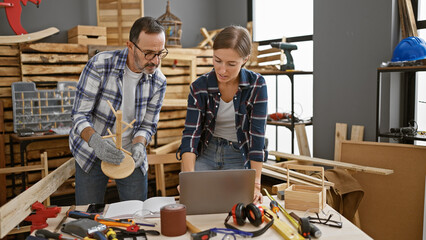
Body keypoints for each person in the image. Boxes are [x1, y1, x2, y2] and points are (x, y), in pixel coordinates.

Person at [69, 17, 168, 205]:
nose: (155, 61)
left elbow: (147, 125)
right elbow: (80, 114)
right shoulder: (100, 65)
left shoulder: (159, 81)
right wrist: (96, 142)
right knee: (87, 214)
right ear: (130, 46)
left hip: (130, 153)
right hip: (91, 150)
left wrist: (139, 144)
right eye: (148, 53)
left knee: (135, 216)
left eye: (160, 53)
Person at [177, 25, 268, 204]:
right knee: (197, 203)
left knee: (239, 206)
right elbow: (191, 136)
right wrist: (188, 179)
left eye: (231, 64)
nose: (222, 70)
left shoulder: (257, 85)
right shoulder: (199, 87)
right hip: (208, 151)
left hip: (238, 153)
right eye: (217, 60)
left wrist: (256, 184)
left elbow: (257, 138)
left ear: (245, 60)